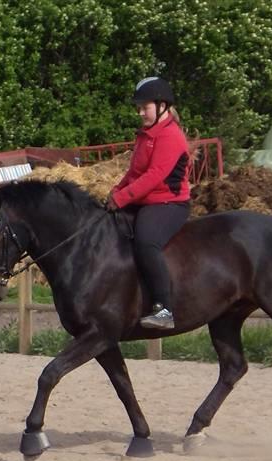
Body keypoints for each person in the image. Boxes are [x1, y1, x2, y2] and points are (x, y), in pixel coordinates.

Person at [106, 77, 191, 330]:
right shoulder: (146, 135)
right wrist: (116, 191)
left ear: (162, 106)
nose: (140, 112)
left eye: (145, 107)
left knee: (146, 241)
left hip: (169, 203)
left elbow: (154, 177)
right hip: (145, 200)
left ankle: (164, 309)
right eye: (139, 107)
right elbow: (135, 172)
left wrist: (122, 198)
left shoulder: (170, 136)